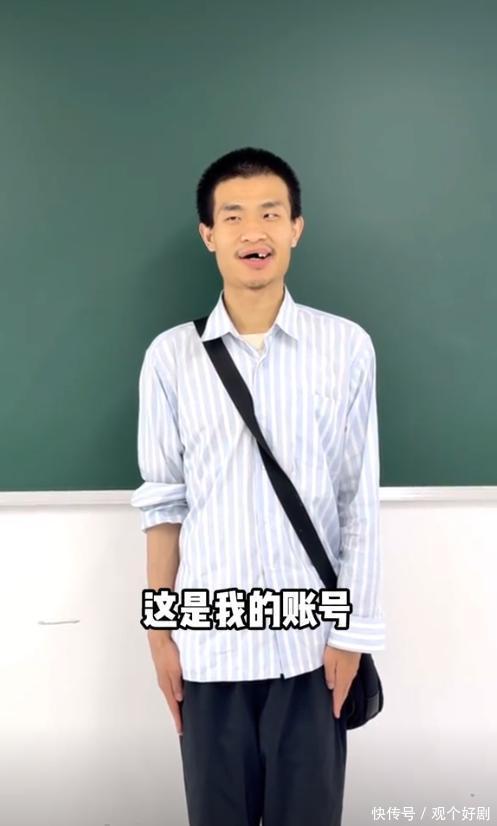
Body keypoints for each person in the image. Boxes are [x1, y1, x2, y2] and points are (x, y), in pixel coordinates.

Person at [131, 147, 385, 826]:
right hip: (208, 651)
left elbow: (356, 502)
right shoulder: (170, 358)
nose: (254, 231)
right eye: (233, 216)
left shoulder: (346, 347)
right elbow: (163, 504)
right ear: (208, 235)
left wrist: (351, 633)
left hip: (311, 651)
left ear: (296, 227)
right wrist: (159, 634)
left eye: (270, 214)